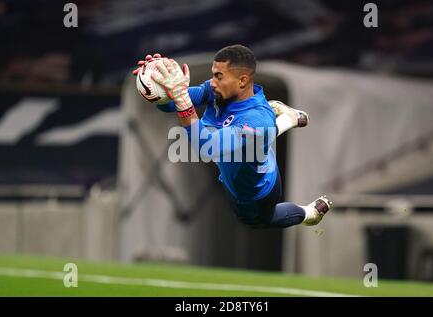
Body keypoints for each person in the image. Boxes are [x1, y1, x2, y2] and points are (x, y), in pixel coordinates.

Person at [133, 44, 333, 228]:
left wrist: (182, 99)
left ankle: (309, 214)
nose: (212, 82)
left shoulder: (256, 120)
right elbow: (169, 105)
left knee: (257, 220)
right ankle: (287, 119)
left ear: (242, 80)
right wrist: (157, 88)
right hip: (244, 145)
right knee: (246, 140)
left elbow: (206, 148)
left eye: (218, 76)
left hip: (256, 192)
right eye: (213, 75)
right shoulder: (216, 91)